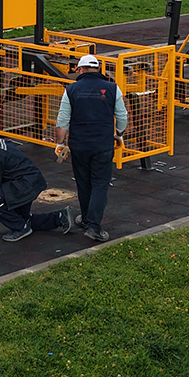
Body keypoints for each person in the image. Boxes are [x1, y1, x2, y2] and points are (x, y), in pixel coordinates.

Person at [54, 54, 126, 242]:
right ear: (97, 69)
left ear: (81, 69)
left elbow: (62, 121)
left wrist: (60, 144)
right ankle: (94, 226)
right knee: (100, 185)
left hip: (79, 144)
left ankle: (86, 219)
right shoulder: (112, 88)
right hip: (102, 144)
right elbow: (122, 117)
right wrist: (118, 135)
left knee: (83, 183)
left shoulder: (71, 89)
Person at [0, 129, 73, 242]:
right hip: (30, 180)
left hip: (25, 184)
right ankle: (59, 217)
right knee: (22, 218)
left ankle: (20, 229)